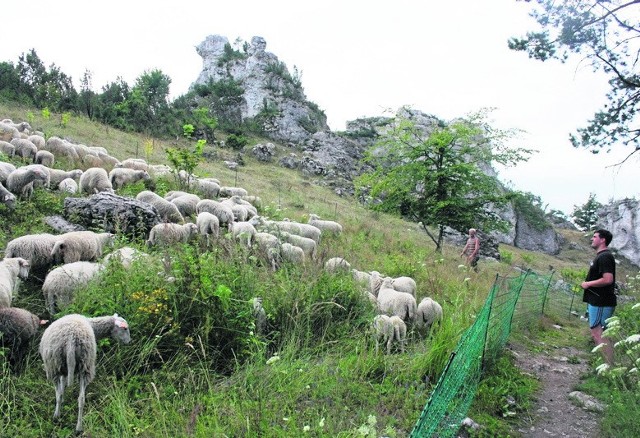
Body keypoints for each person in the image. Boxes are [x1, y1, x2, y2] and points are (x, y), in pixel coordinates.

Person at [581, 229, 616, 365]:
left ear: (602, 240)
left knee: (599, 333)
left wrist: (588, 284)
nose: (592, 239)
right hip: (597, 300)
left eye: (594, 237)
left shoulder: (604, 257)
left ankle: (608, 368)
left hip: (601, 301)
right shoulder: (602, 256)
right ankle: (606, 366)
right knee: (597, 333)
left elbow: (608, 279)